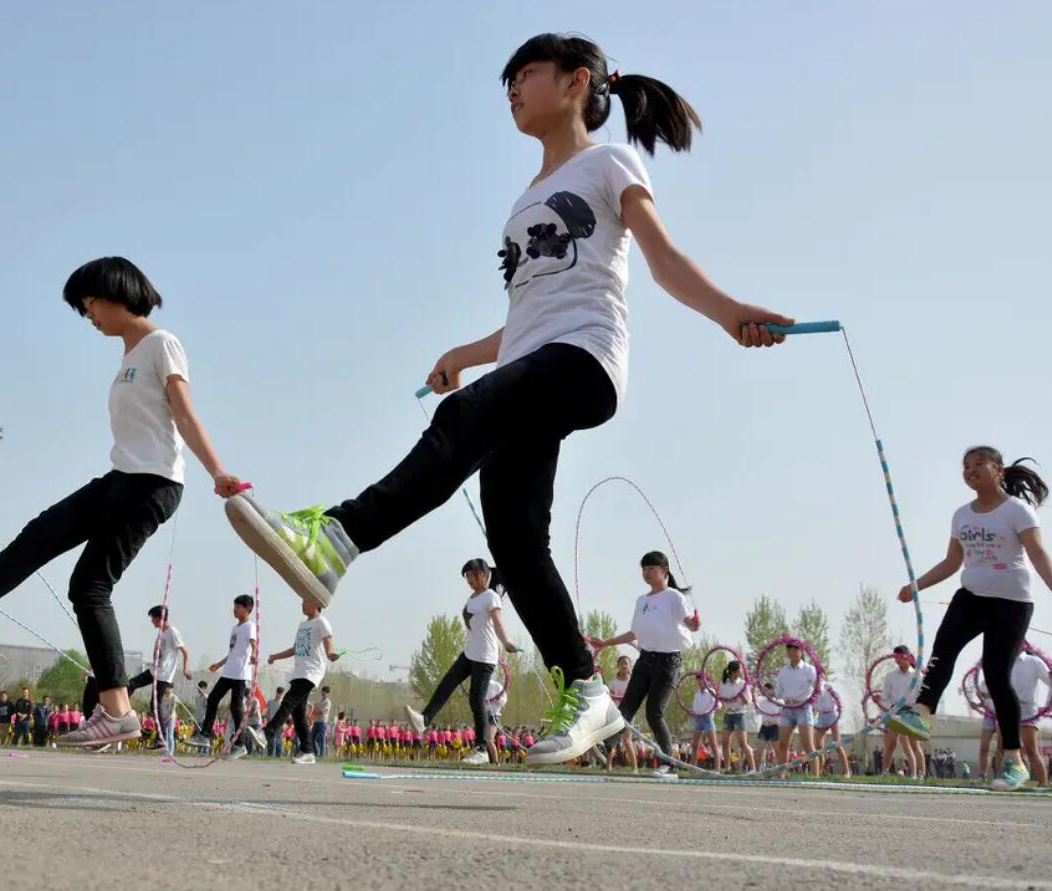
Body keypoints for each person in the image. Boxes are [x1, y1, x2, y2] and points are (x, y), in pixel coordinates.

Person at [221, 32, 794, 768]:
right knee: (516, 543)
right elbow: (528, 314)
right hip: (530, 368)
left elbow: (662, 261)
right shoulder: (523, 200)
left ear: (576, 82)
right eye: (508, 83)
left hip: (584, 361)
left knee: (462, 422)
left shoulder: (611, 161)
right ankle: (587, 689)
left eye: (526, 74)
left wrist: (728, 311)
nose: (513, 90)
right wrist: (463, 354)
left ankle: (336, 538)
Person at [0, 257, 243, 748]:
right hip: (123, 479)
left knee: (89, 583)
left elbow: (183, 413)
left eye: (89, 304)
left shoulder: (162, 344)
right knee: (51, 546)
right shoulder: (128, 357)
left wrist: (217, 470)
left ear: (117, 294)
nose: (88, 315)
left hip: (149, 485)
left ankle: (111, 709)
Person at [889, 447, 1052, 791]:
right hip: (971, 595)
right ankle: (922, 712)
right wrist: (916, 585)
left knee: (996, 675)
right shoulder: (962, 515)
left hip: (1011, 601)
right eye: (965, 466)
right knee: (943, 647)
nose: (970, 470)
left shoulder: (1017, 510)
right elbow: (951, 563)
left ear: (999, 470)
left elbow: (1037, 551)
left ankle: (1013, 761)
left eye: (979, 464)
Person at [589, 552, 700, 778]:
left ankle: (669, 763)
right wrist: (606, 643)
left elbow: (689, 623)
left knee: (654, 713)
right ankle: (608, 744)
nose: (647, 572)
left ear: (664, 570)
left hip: (668, 662)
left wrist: (695, 624)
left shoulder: (674, 597)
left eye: (652, 568)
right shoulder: (642, 601)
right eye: (644, 569)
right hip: (645, 660)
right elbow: (634, 633)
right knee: (626, 708)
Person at [404, 559, 519, 765]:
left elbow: (498, 623)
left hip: (485, 657)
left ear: (483, 574)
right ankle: (424, 720)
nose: (469, 580)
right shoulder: (473, 597)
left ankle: (482, 748)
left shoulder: (491, 597)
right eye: (466, 577)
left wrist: (507, 641)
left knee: (476, 700)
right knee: (447, 683)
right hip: (469, 653)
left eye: (472, 575)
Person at [264, 598, 339, 764]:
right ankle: (308, 751)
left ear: (316, 604)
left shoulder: (321, 622)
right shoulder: (302, 625)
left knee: (288, 701)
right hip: (298, 671)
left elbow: (329, 641)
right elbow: (295, 649)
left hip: (311, 672)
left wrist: (331, 653)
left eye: (305, 602)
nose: (302, 605)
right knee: (298, 714)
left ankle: (268, 732)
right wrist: (275, 657)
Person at [191, 594, 258, 758]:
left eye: (238, 607)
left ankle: (240, 744)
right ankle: (206, 735)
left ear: (247, 609)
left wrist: (255, 655)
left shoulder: (250, 626)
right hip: (228, 671)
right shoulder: (235, 629)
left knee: (236, 708)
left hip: (240, 674)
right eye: (234, 607)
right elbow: (233, 652)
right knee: (213, 699)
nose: (235, 610)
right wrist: (219, 664)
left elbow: (254, 644)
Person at [772, 642, 819, 778]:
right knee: (782, 743)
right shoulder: (783, 671)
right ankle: (782, 774)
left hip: (803, 707)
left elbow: (818, 687)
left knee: (807, 744)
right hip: (787, 708)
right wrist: (770, 693)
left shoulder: (809, 669)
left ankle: (815, 776)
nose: (792, 651)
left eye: (795, 649)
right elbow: (779, 692)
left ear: (801, 651)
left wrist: (818, 687)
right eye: (789, 649)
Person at [1010, 647, 1052, 784]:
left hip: (1028, 709)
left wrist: (1047, 704)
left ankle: (1043, 783)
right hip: (1008, 707)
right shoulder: (1005, 660)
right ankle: (1007, 782)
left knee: (1031, 749)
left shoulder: (1034, 662)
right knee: (1003, 747)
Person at [880, 646, 923, 779]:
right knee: (891, 744)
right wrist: (881, 702)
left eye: (900, 656)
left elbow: (921, 696)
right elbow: (885, 696)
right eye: (895, 657)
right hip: (894, 711)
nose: (897, 660)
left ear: (907, 657)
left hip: (911, 710)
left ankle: (920, 774)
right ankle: (885, 772)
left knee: (914, 744)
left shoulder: (917, 676)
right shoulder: (890, 676)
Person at [717, 661, 756, 773]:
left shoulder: (743, 684)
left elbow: (748, 701)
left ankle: (753, 769)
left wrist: (741, 694)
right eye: (740, 669)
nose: (742, 671)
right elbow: (720, 698)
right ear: (734, 671)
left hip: (739, 714)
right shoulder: (724, 683)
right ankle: (727, 767)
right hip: (728, 714)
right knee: (725, 742)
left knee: (743, 743)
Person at [812, 679, 850, 779]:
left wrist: (840, 708)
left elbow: (838, 698)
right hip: (821, 716)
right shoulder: (812, 689)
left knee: (837, 744)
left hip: (832, 715)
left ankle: (846, 772)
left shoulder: (828, 686)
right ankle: (820, 769)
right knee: (818, 746)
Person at [310, 685, 332, 759]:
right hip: (316, 722)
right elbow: (312, 706)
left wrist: (315, 711)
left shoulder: (328, 702)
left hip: (323, 723)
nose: (324, 694)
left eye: (326, 692)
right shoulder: (319, 700)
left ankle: (321, 756)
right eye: (323, 692)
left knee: (322, 739)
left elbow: (322, 712)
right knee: (312, 739)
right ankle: (317, 753)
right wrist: (315, 710)